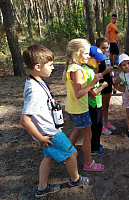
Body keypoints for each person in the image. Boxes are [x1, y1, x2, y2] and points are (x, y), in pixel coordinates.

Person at [20, 44, 90, 198]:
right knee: (72, 154)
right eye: (50, 65)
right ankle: (75, 180)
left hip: (46, 132)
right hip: (49, 134)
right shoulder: (34, 89)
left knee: (49, 157)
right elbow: (24, 120)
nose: (53, 68)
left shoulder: (36, 80)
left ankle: (42, 187)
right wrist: (40, 138)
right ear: (38, 66)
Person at [62, 39, 104, 171]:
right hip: (79, 109)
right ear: (78, 53)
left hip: (73, 108)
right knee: (87, 136)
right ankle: (88, 163)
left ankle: (65, 156)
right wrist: (94, 82)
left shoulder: (74, 68)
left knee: (77, 130)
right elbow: (78, 93)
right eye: (86, 53)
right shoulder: (77, 70)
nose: (88, 56)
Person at [82, 45, 108, 155]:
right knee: (96, 126)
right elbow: (93, 93)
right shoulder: (88, 72)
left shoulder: (89, 70)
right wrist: (103, 86)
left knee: (97, 126)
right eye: (97, 60)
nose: (99, 63)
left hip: (96, 103)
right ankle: (94, 148)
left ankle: (95, 143)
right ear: (89, 58)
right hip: (93, 104)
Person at [96, 38, 117, 135]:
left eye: (107, 48)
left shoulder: (107, 57)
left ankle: (106, 121)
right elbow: (95, 75)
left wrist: (114, 85)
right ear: (97, 48)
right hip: (101, 84)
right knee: (102, 106)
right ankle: (101, 125)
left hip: (109, 83)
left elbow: (111, 72)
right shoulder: (96, 60)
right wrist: (105, 72)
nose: (105, 50)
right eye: (103, 48)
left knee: (107, 105)